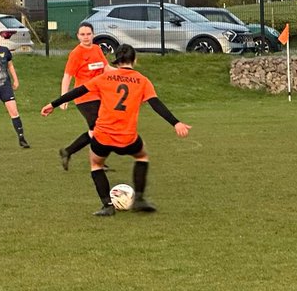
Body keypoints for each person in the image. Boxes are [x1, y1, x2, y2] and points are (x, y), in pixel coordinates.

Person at [41, 43, 189, 215]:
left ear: (117, 60)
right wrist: (176, 123)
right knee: (142, 157)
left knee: (96, 164)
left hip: (102, 135)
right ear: (135, 59)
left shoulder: (104, 78)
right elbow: (156, 104)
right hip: (128, 137)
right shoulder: (142, 80)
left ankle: (107, 206)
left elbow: (78, 91)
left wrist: (53, 104)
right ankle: (139, 199)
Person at [57, 22, 107, 170]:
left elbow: (106, 69)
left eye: (88, 34)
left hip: (99, 96)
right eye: (82, 34)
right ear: (78, 36)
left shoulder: (97, 49)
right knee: (98, 129)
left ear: (93, 34)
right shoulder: (76, 53)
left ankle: (68, 151)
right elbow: (67, 76)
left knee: (98, 130)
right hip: (84, 97)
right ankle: (97, 161)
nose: (86, 37)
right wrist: (63, 97)